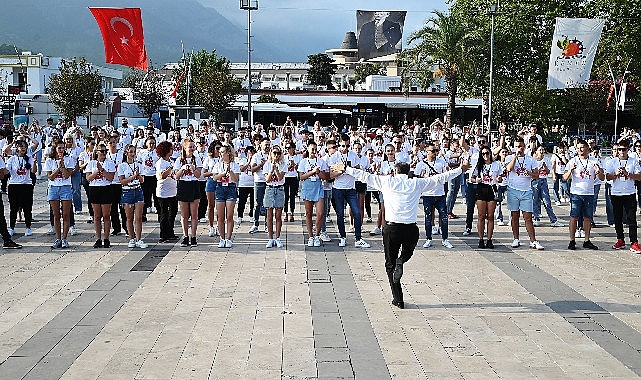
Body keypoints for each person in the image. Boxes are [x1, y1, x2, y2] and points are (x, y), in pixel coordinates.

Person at [330, 160, 469, 309]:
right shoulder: (416, 183)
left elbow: (364, 176)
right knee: (407, 252)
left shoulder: (387, 181)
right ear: (408, 172)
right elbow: (440, 178)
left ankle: (398, 299)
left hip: (392, 229)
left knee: (390, 264)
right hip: (411, 229)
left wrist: (345, 168)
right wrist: (460, 169)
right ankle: (402, 260)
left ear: (395, 172)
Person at [327, 135, 371, 248]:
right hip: (338, 189)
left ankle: (358, 238)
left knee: (357, 212)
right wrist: (342, 170)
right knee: (340, 214)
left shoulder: (353, 154)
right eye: (342, 146)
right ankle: (342, 237)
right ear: (338, 145)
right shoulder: (334, 156)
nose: (344, 148)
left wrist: (353, 170)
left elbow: (357, 168)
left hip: (351, 188)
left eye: (347, 146)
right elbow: (331, 175)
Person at [563, 139, 604, 250]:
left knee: (587, 217)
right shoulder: (573, 160)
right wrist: (570, 170)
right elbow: (564, 177)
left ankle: (587, 240)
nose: (580, 150)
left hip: (589, 193)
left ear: (587, 148)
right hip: (576, 192)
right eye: (578, 148)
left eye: (582, 147)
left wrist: (598, 170)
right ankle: (572, 240)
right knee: (574, 216)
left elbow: (602, 178)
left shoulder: (594, 161)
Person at [505, 138, 545, 250]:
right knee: (514, 215)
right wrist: (515, 157)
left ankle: (533, 240)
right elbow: (509, 169)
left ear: (525, 146)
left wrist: (530, 173)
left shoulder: (531, 160)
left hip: (526, 190)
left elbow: (537, 175)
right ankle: (516, 238)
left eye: (521, 146)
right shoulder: (510, 157)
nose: (519, 148)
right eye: (517, 146)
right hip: (513, 190)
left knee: (528, 217)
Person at [605, 140, 641, 252]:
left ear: (628, 149)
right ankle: (620, 239)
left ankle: (634, 242)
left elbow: (639, 177)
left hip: (629, 193)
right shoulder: (613, 162)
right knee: (617, 218)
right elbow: (607, 177)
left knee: (631, 219)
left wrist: (628, 174)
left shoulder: (633, 161)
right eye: (619, 149)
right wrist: (615, 174)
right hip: (616, 193)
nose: (621, 152)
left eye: (623, 149)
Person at [415, 142, 452, 249]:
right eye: (433, 151)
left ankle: (445, 239)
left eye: (436, 150)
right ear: (427, 152)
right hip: (427, 194)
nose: (435, 153)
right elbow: (417, 178)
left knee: (444, 217)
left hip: (440, 194)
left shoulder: (441, 162)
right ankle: (428, 238)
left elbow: (446, 175)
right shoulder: (421, 164)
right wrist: (421, 176)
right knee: (428, 217)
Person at [470, 146, 503, 248]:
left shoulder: (496, 164)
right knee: (481, 215)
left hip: (492, 188)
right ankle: (481, 239)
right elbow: (472, 178)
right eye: (483, 154)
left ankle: (489, 239)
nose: (485, 156)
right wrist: (476, 180)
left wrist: (499, 178)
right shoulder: (479, 165)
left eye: (487, 153)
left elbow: (501, 178)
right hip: (481, 188)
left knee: (490, 216)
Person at [44, 141, 75, 248]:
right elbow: (50, 177)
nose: (61, 150)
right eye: (59, 148)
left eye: (63, 148)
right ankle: (58, 238)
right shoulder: (49, 160)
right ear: (55, 149)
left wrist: (62, 166)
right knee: (56, 214)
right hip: (53, 188)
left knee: (66, 214)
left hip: (65, 187)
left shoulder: (69, 159)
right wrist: (58, 168)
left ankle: (65, 238)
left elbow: (67, 175)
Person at [298, 141, 329, 246]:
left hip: (318, 187)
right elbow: (301, 177)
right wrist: (312, 172)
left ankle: (317, 235)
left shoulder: (321, 161)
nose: (314, 151)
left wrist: (319, 172)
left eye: (316, 149)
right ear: (308, 149)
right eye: (312, 149)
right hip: (307, 187)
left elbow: (325, 177)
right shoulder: (303, 161)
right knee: (308, 213)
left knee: (320, 213)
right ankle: (310, 236)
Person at [85, 143, 115, 248]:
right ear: (96, 152)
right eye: (101, 151)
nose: (104, 153)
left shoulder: (109, 163)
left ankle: (106, 238)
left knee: (106, 215)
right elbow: (88, 178)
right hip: (94, 188)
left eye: (105, 151)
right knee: (97, 216)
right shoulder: (91, 163)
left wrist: (102, 170)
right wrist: (97, 170)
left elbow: (110, 178)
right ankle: (98, 238)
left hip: (106, 188)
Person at [174, 139, 203, 247]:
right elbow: (176, 176)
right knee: (184, 215)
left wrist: (193, 168)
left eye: (193, 147)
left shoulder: (197, 159)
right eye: (189, 147)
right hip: (183, 185)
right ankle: (185, 236)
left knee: (194, 214)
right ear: (185, 148)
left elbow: (198, 175)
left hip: (194, 185)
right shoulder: (179, 160)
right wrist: (182, 169)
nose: (191, 149)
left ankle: (193, 237)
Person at [118, 145, 147, 249]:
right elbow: (122, 181)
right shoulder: (122, 166)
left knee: (138, 217)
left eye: (134, 152)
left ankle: (139, 239)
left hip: (138, 190)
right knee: (129, 218)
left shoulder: (138, 164)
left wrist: (138, 175)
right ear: (126, 153)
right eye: (130, 152)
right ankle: (131, 238)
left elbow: (142, 180)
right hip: (127, 191)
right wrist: (133, 176)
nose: (132, 154)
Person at [6, 139, 37, 237]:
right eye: (21, 146)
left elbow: (33, 171)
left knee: (27, 207)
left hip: (26, 185)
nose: (23, 147)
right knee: (13, 208)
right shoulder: (12, 159)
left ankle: (28, 227)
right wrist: (13, 142)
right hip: (14, 185)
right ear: (17, 148)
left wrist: (35, 162)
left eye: (24, 146)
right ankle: (11, 227)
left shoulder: (29, 158)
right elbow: (7, 171)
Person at [212, 144, 240, 248]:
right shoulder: (218, 164)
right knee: (220, 216)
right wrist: (223, 173)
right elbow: (214, 178)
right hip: (220, 188)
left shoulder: (234, 165)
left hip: (230, 188)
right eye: (220, 152)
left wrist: (230, 171)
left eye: (222, 152)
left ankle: (228, 238)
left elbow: (236, 179)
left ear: (228, 153)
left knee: (229, 216)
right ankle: (222, 238)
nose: (220, 154)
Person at [532, 146, 564, 227]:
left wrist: (545, 166)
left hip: (543, 181)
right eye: (540, 150)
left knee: (547, 201)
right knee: (535, 200)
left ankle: (553, 220)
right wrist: (539, 167)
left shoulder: (546, 159)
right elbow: (533, 173)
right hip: (535, 181)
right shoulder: (533, 160)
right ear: (536, 152)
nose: (542, 151)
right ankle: (536, 218)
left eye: (543, 149)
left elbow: (548, 171)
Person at [263, 145, 288, 248]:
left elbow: (280, 177)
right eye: (274, 153)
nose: (276, 155)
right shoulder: (267, 164)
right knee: (269, 216)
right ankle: (270, 238)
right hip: (269, 189)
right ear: (271, 154)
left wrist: (276, 169)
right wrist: (271, 169)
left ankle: (278, 237)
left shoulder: (283, 164)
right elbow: (267, 179)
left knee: (278, 215)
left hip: (279, 188)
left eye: (278, 153)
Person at [155, 141, 179, 243]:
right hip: (163, 191)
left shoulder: (171, 161)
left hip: (173, 190)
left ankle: (170, 231)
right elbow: (162, 176)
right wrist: (170, 168)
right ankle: (163, 234)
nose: (172, 150)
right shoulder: (160, 163)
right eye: (171, 149)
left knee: (173, 211)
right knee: (164, 213)